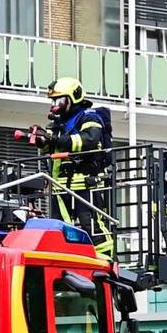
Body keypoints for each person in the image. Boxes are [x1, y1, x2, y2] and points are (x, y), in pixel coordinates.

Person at [18, 76, 116, 237]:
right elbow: (50, 148)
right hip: (60, 186)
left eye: (59, 101)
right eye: (53, 102)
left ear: (73, 98)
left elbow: (88, 140)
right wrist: (41, 139)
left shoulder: (89, 117)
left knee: (91, 226)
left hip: (85, 184)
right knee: (59, 226)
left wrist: (56, 139)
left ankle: (104, 258)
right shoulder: (58, 124)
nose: (55, 106)